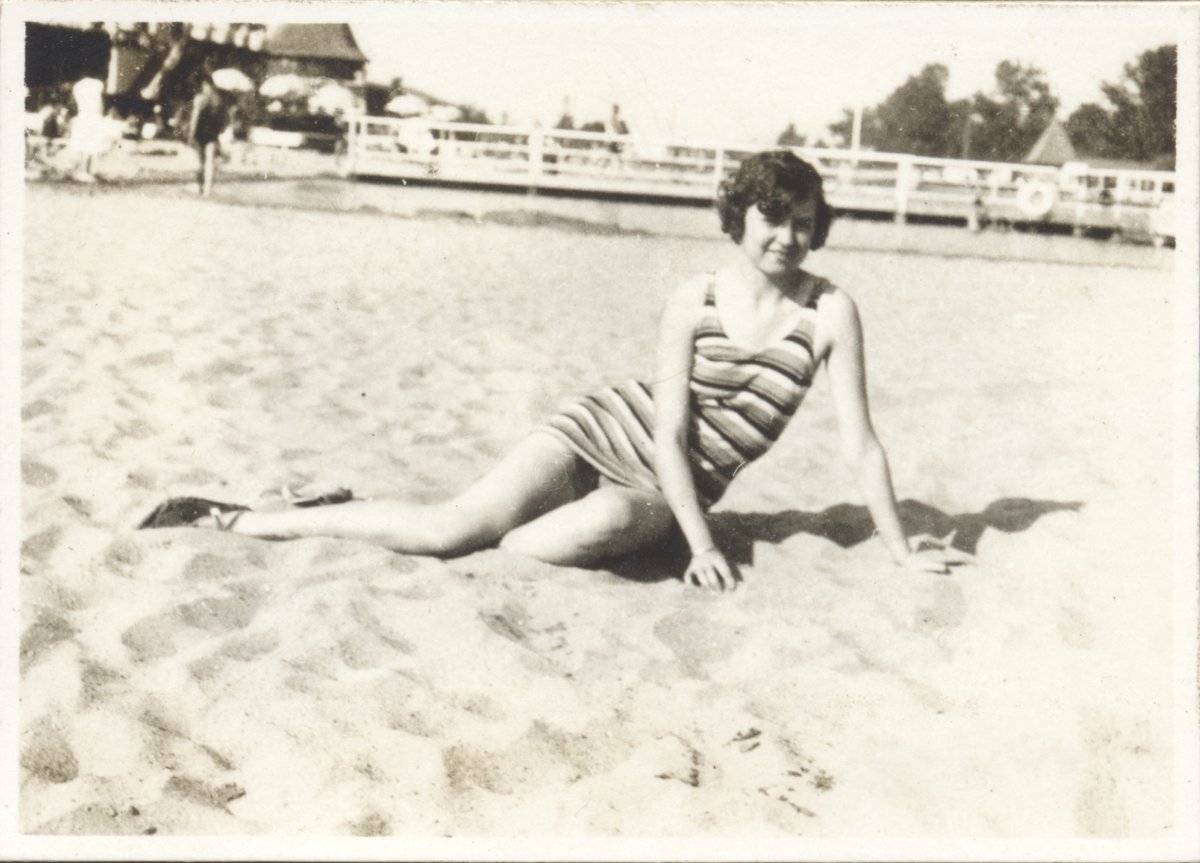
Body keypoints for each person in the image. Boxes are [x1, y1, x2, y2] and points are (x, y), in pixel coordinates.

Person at [141, 151, 969, 589]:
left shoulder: (830, 313)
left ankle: (341, 509)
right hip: (600, 428)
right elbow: (671, 427)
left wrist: (899, 553)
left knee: (553, 538)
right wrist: (701, 546)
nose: (787, 235)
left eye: (802, 220)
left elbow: (862, 446)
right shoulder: (695, 297)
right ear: (738, 218)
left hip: (653, 489)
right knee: (449, 532)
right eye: (771, 217)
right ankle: (241, 519)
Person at [188, 76, 227, 196]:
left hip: (201, 132)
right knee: (209, 161)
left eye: (205, 85)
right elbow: (224, 119)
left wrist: (191, 134)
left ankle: (202, 187)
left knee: (202, 162)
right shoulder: (218, 100)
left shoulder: (199, 99)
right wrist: (220, 131)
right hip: (212, 133)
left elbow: (194, 118)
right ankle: (207, 189)